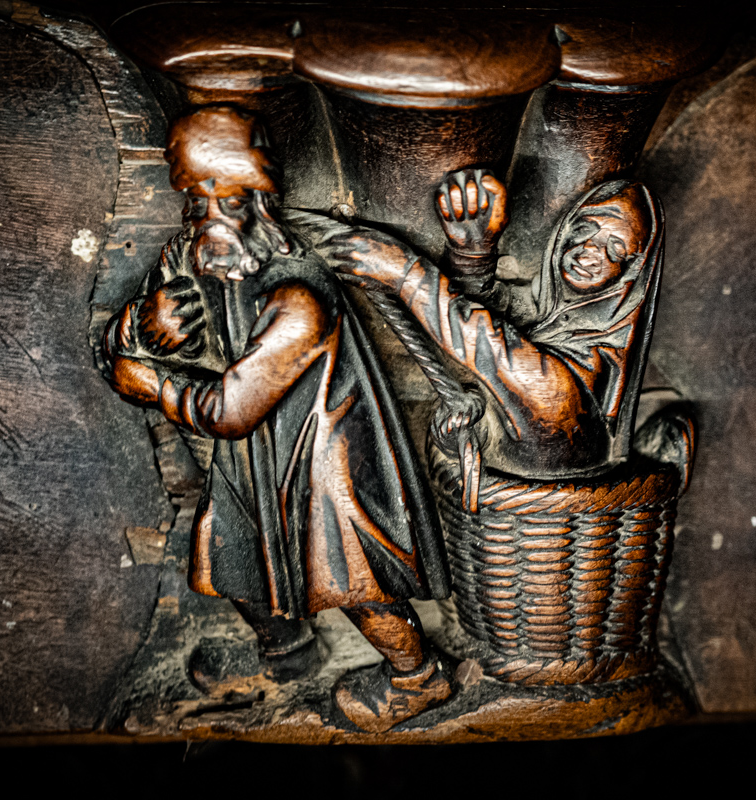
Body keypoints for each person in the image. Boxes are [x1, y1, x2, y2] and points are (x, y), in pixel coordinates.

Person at [98, 106, 453, 733]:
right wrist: (139, 328)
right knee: (226, 549)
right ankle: (288, 655)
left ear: (261, 203)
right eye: (197, 203)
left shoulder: (297, 301)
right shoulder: (193, 256)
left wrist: (153, 383)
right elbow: (119, 349)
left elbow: (230, 410)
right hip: (252, 456)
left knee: (351, 578)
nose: (210, 220)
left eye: (230, 202)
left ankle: (416, 677)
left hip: (322, 457)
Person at [320, 171, 664, 479]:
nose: (589, 252)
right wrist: (472, 254)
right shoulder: (552, 316)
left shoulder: (572, 388)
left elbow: (495, 348)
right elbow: (502, 311)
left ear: (630, 277)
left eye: (615, 250)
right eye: (583, 231)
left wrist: (406, 274)